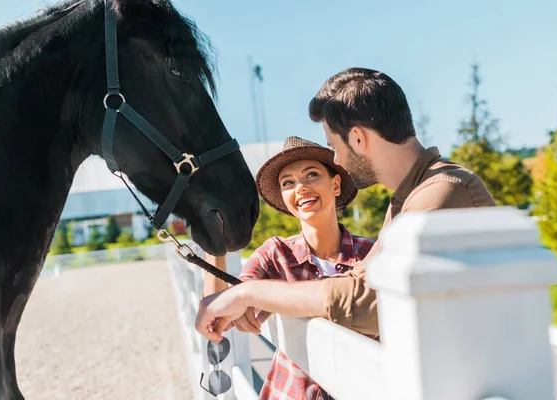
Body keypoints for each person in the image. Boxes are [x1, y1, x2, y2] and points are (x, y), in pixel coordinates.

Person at [195, 67, 496, 356]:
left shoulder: (442, 191)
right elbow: (355, 281)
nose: (337, 158)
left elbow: (369, 302)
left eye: (333, 146)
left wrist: (250, 294)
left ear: (358, 139)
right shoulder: (410, 198)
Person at [202, 136, 375, 399]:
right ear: (284, 197)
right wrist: (215, 245)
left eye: (312, 175)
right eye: (288, 182)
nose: (301, 187)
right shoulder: (276, 254)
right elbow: (218, 311)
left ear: (336, 184)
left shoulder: (373, 254)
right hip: (291, 392)